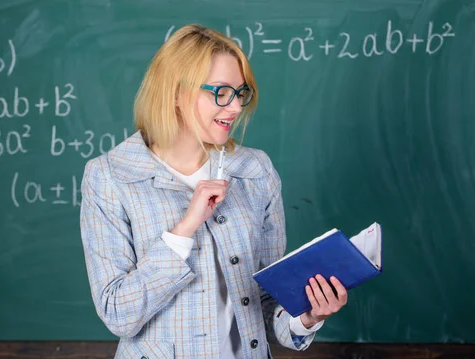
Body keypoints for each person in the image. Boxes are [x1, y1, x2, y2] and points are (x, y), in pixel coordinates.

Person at [79, 24, 348, 359]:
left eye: (240, 93)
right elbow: (118, 313)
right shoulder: (110, 177)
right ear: (175, 92)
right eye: (221, 92)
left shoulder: (255, 172)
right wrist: (184, 230)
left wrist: (309, 316)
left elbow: (265, 302)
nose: (235, 108)